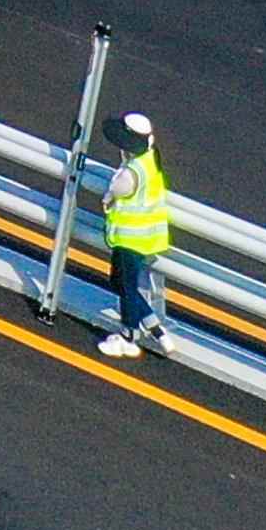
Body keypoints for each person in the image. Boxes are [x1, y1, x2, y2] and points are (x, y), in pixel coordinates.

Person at [87, 106, 176, 359]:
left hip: (129, 238)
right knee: (122, 282)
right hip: (146, 237)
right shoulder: (150, 160)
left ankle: (129, 337)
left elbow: (119, 189)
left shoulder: (132, 171)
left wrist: (108, 195)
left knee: (124, 285)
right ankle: (155, 327)